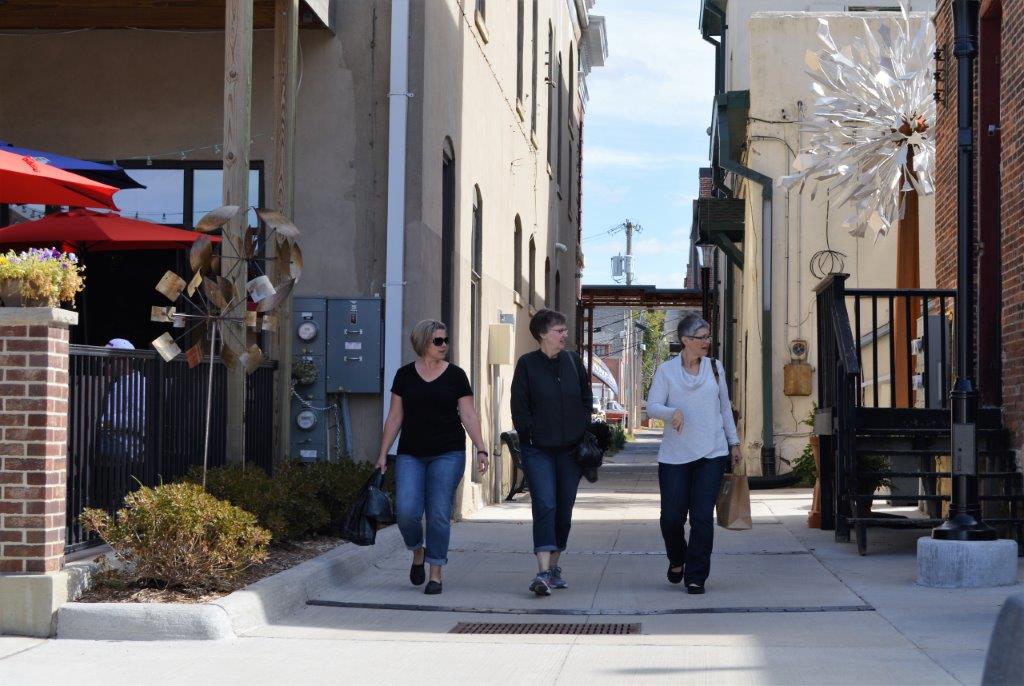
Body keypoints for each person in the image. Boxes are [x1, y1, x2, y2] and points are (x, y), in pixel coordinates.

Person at [376, 320, 489, 595]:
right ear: (423, 342)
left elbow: (469, 414)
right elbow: (394, 417)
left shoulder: (456, 376)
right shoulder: (404, 376)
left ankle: (435, 572)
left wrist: (481, 447)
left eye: (445, 340)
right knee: (406, 513)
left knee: (438, 513)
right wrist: (382, 454)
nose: (444, 345)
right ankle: (418, 551)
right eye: (438, 341)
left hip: (448, 453)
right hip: (410, 454)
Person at [645, 314, 741, 595]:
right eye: (702, 337)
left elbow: (725, 408)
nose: (707, 342)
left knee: (702, 518)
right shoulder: (666, 371)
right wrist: (671, 412)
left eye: (708, 337)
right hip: (675, 455)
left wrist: (733, 443)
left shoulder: (715, 368)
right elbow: (652, 406)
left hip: (712, 452)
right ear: (686, 340)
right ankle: (677, 558)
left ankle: (696, 575)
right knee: (672, 518)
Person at [511, 308, 593, 597]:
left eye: (565, 330)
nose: (565, 336)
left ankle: (555, 568)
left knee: (564, 510)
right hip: (538, 450)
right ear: (543, 334)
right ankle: (542, 571)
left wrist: (581, 424)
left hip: (570, 451)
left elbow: (586, 397)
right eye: (559, 331)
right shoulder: (527, 365)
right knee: (545, 504)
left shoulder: (573, 361)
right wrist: (530, 434)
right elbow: (519, 408)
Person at [91, 338, 148, 514]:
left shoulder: (137, 383)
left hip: (125, 444)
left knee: (89, 452)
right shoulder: (119, 383)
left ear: (123, 360)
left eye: (108, 361)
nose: (105, 366)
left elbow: (138, 419)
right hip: (114, 441)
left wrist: (106, 422)